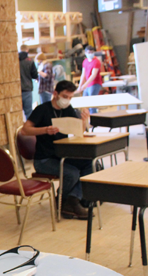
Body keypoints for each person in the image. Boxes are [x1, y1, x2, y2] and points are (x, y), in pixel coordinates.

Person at [22, 80, 91, 220]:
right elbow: (25, 130)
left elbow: (78, 132)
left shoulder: (68, 109)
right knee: (72, 174)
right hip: (44, 159)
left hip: (62, 155)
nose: (67, 100)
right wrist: (45, 130)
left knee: (90, 164)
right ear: (55, 94)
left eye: (70, 97)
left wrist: (84, 122)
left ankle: (72, 199)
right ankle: (65, 201)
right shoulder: (42, 109)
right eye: (65, 96)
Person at [76, 45, 103, 114]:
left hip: (95, 84)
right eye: (89, 52)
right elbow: (83, 74)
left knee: (92, 104)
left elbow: (93, 75)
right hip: (88, 84)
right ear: (85, 53)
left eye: (92, 52)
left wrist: (85, 84)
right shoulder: (85, 61)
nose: (90, 54)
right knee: (85, 103)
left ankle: (94, 120)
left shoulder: (96, 61)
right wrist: (80, 86)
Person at [19, 44, 38, 119]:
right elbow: (34, 75)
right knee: (28, 112)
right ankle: (29, 129)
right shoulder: (30, 61)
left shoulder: (14, 61)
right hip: (27, 89)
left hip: (16, 91)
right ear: (27, 50)